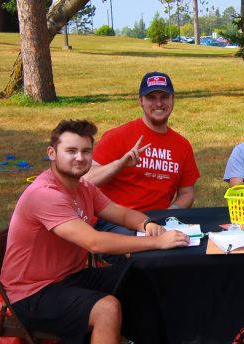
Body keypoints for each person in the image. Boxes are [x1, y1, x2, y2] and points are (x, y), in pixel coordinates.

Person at [0, 120, 187, 344]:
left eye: (86, 151)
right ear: (52, 153)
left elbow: (118, 212)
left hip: (70, 277)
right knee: (106, 308)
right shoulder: (45, 195)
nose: (80, 157)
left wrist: (147, 223)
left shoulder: (83, 187)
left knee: (143, 276)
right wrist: (156, 241)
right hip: (32, 293)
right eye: (71, 151)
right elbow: (95, 243)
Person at [83, 71, 200, 236]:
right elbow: (86, 180)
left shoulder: (182, 145)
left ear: (173, 100)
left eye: (164, 97)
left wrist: (170, 211)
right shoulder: (118, 137)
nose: (158, 103)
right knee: (146, 251)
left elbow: (187, 193)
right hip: (117, 222)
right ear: (141, 101)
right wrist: (120, 164)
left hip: (159, 222)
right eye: (151, 97)